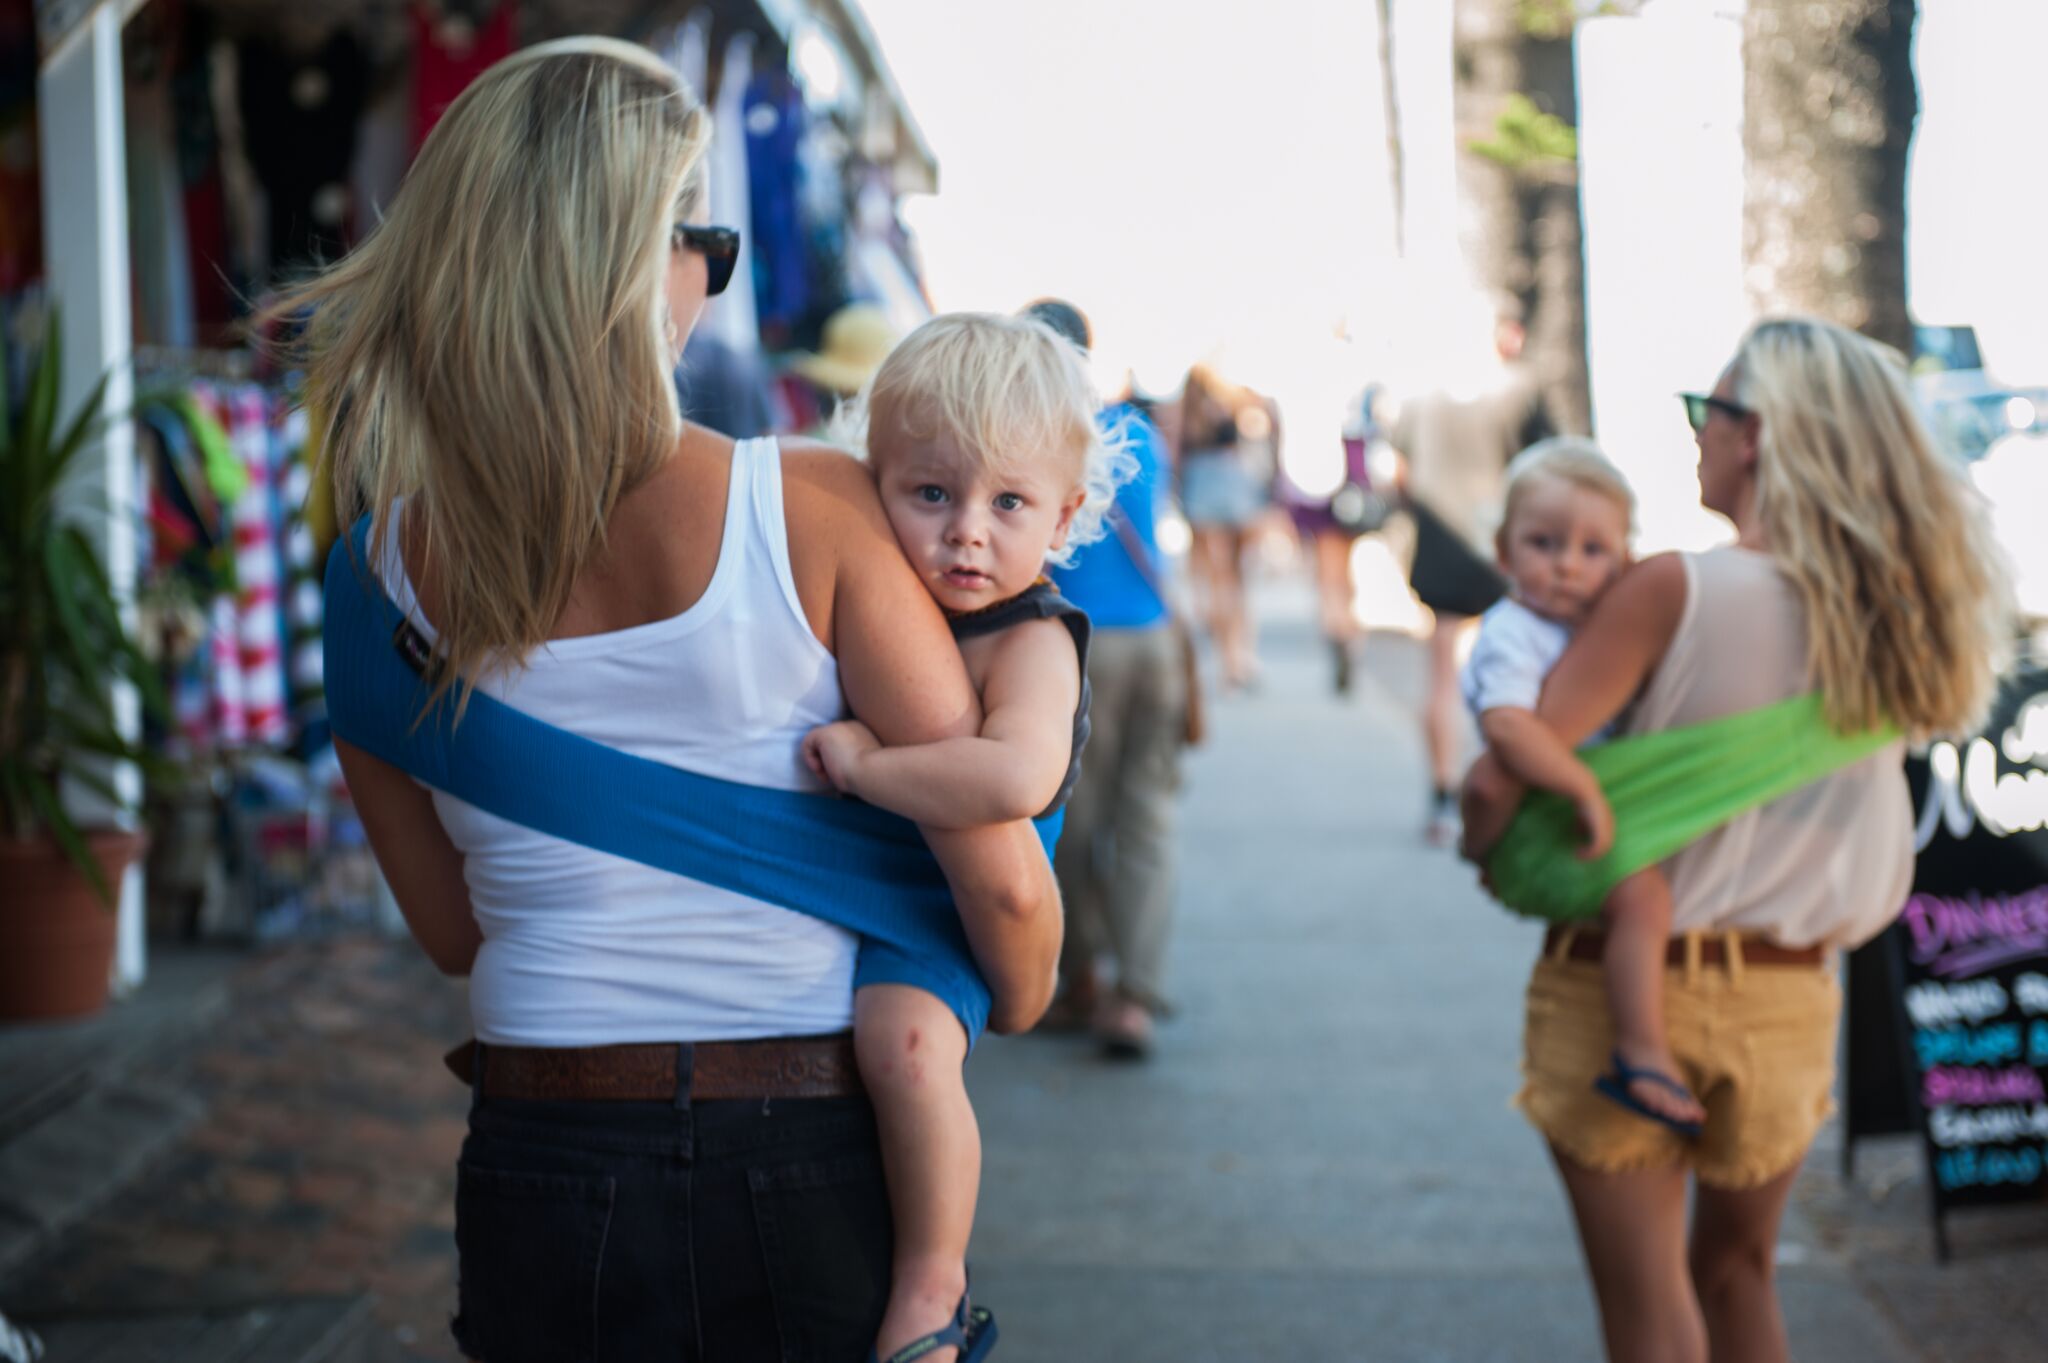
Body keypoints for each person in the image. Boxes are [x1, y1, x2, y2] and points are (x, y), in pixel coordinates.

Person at [275, 39, 1060, 1361]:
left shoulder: (370, 577)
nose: (712, 276)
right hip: (805, 1141)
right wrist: (1025, 996)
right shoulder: (809, 507)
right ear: (650, 258)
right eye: (706, 239)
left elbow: (456, 931)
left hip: (541, 1146)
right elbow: (1005, 888)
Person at [1461, 317, 2009, 1363]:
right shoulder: (1898, 617)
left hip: (1627, 994)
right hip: (1789, 997)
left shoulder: (1673, 587)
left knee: (1648, 1308)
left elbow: (1503, 771)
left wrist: (1482, 843)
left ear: (1752, 435)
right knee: (1738, 1275)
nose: (1695, 438)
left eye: (1703, 413)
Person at [801, 311, 1122, 1361]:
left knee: (904, 1048)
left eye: (1008, 502)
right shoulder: (883, 590)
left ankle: (932, 1288)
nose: (966, 531)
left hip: (940, 907)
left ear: (1065, 513)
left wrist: (866, 768)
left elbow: (1014, 777)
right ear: (873, 479)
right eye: (930, 492)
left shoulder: (1029, 640)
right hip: (865, 867)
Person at [1462, 439, 1703, 1134]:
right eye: (1543, 542)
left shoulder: (1588, 625)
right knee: (1642, 897)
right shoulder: (1515, 633)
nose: (1568, 563)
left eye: (1593, 549)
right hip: (1548, 807)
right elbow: (1508, 729)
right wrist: (1582, 789)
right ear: (1503, 552)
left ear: (1625, 559)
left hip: (1574, 800)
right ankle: (1641, 1047)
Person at [1026, 297, 1188, 1057]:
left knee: (1073, 826)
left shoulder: (1033, 435)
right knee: (1147, 817)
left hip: (1078, 649)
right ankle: (1137, 994)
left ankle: (1082, 975)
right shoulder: (1138, 432)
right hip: (1152, 643)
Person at [1389, 297, 1551, 844]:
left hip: (1441, 547)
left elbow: (1400, 473)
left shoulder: (1419, 397)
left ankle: (1442, 792)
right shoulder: (1519, 390)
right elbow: (1551, 467)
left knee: (1440, 674)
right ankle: (1501, 787)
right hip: (1503, 547)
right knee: (1513, 673)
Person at [1176, 365, 1266, 691]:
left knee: (1222, 580)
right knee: (1234, 579)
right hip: (1231, 482)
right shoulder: (1233, 394)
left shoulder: (1201, 395)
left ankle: (1233, 658)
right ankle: (1238, 656)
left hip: (1208, 484)